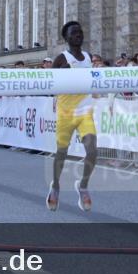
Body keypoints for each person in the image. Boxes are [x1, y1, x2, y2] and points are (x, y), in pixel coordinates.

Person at [48, 21, 98, 212]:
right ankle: (55, 186)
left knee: (92, 151)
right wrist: (63, 75)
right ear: (66, 38)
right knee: (61, 153)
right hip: (65, 113)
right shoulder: (61, 59)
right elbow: (50, 86)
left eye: (80, 32)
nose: (78, 35)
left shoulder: (88, 57)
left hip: (85, 111)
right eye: (74, 32)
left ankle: (83, 186)